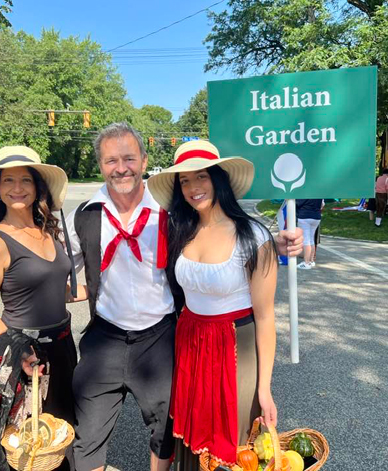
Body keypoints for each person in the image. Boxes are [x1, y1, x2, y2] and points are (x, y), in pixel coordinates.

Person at [65, 123, 303, 471]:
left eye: (129, 157)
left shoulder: (179, 219)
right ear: (101, 164)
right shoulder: (95, 217)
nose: (121, 167)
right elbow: (59, 266)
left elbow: (262, 308)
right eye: (111, 160)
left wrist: (276, 244)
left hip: (193, 340)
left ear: (144, 161)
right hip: (156, 340)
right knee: (113, 436)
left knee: (208, 436)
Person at [147, 140, 278, 468]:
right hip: (190, 341)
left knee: (234, 442)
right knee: (191, 440)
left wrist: (265, 388)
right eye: (185, 181)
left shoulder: (254, 236)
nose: (193, 187)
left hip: (235, 347)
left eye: (201, 177)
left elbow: (265, 318)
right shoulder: (183, 229)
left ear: (218, 179)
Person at [0, 146, 82, 471]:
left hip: (60, 349)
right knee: (21, 450)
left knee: (55, 441)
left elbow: (58, 290)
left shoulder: (49, 233)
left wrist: (114, 291)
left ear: (37, 188)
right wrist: (21, 351)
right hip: (19, 353)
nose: (17, 188)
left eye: (25, 180)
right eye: (8, 180)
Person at [296, 199, 324, 269]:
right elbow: (322, 205)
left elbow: (297, 203)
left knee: (306, 240)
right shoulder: (319, 193)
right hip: (316, 217)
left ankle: (306, 262)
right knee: (311, 239)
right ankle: (311, 261)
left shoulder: (304, 193)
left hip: (304, 216)